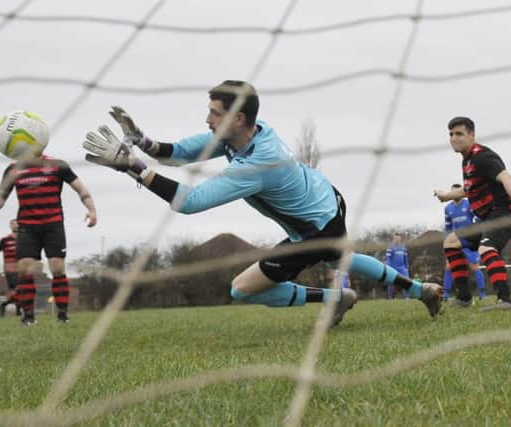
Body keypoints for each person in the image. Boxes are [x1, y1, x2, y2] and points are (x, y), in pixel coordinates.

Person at [82, 80, 443, 324]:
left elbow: (189, 202)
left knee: (243, 288)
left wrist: (132, 166)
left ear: (237, 119)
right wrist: (141, 142)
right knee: (341, 255)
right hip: (328, 200)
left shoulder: (260, 162)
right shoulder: (246, 132)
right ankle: (421, 290)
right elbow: (177, 154)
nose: (207, 120)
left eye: (214, 113)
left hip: (313, 228)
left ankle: (336, 298)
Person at [0, 126, 98, 325]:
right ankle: (28, 317)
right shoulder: (13, 169)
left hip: (53, 224)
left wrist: (91, 210)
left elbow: (81, 189)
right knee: (25, 270)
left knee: (57, 268)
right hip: (27, 228)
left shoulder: (57, 165)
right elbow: (2, 195)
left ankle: (62, 315)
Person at [434, 116, 511, 310]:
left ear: (472, 135)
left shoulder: (482, 156)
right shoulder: (468, 160)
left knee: (486, 248)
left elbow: (507, 178)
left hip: (506, 214)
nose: (454, 138)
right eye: (451, 134)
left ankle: (506, 301)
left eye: (459, 134)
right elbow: (469, 188)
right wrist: (447, 196)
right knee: (451, 241)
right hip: (488, 218)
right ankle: (463, 298)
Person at [442, 184, 486, 301]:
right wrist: (447, 242)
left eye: (457, 191)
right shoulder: (447, 208)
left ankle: (482, 294)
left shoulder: (469, 203)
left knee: (474, 267)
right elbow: (448, 228)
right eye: (453, 192)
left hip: (468, 240)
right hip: (454, 242)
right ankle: (446, 295)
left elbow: (477, 219)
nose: (455, 194)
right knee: (448, 267)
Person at [0, 218, 21, 316]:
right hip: (9, 269)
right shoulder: (4, 240)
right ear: (10, 226)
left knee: (19, 289)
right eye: (13, 224)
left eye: (17, 223)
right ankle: (12, 309)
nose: (15, 225)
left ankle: (4, 306)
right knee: (15, 289)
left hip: (21, 268)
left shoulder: (23, 239)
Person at [385, 233, 410, 299]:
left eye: (398, 238)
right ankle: (391, 298)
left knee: (406, 282)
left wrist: (406, 267)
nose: (397, 239)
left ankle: (406, 297)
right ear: (394, 239)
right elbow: (388, 259)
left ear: (400, 238)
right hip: (393, 268)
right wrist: (389, 267)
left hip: (402, 268)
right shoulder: (390, 247)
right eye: (395, 238)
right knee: (391, 283)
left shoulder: (403, 247)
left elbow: (405, 258)